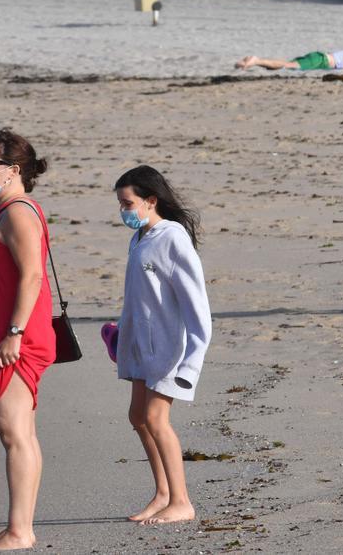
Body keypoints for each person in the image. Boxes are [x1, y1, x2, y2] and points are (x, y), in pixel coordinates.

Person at [0, 129, 56, 551]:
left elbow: (33, 277)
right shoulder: (3, 210)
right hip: (5, 337)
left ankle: (20, 531)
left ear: (13, 170)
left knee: (14, 432)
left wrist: (14, 334)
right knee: (21, 431)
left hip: (19, 338)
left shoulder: (18, 212)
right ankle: (21, 526)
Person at [113, 165, 212, 525]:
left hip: (171, 349)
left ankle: (182, 502)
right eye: (121, 204)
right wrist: (122, 335)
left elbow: (197, 305)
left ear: (150, 200)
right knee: (137, 417)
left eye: (128, 203)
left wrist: (192, 360)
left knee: (156, 418)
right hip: (142, 347)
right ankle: (163, 493)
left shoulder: (173, 239)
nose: (124, 211)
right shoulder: (139, 237)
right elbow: (140, 298)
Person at [235, 50, 343, 71]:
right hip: (321, 60)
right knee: (288, 66)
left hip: (318, 57)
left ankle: (256, 61)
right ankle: (256, 61)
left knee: (283, 66)